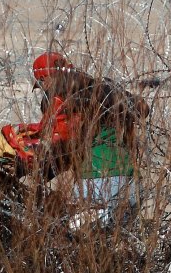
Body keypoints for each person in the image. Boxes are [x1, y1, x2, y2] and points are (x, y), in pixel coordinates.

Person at [29, 51, 151, 229]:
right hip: (131, 183)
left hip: (98, 181)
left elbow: (62, 146)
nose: (42, 89)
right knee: (111, 245)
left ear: (46, 78)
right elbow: (142, 108)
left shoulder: (57, 100)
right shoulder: (103, 89)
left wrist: (38, 171)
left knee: (71, 239)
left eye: (41, 84)